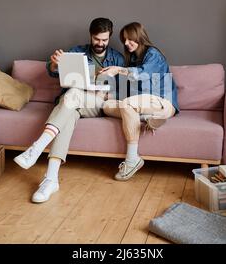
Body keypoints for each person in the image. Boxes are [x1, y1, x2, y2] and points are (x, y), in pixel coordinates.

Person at [14, 18, 124, 203]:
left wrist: (109, 95)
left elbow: (123, 90)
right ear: (91, 35)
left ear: (109, 37)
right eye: (97, 39)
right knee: (70, 109)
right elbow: (53, 71)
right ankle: (51, 180)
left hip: (97, 105)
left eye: (104, 40)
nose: (100, 43)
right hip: (71, 104)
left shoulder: (117, 58)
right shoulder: (76, 52)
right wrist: (54, 64)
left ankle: (37, 147)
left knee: (72, 94)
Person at [99, 22, 179, 181]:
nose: (127, 43)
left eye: (130, 39)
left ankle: (132, 159)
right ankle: (145, 118)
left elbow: (143, 74)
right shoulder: (134, 58)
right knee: (107, 106)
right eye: (124, 40)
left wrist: (118, 69)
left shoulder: (153, 54)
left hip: (162, 102)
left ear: (140, 37)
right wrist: (109, 94)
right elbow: (133, 91)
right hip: (144, 103)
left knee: (127, 104)